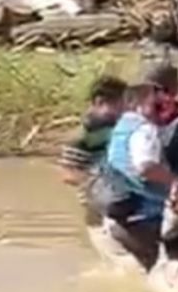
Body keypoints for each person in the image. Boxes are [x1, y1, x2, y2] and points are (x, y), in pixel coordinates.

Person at [98, 64, 178, 270]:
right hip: (142, 220)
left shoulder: (124, 124)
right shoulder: (145, 130)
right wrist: (176, 181)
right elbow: (145, 167)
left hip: (116, 216)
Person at [57, 75, 133, 221]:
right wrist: (100, 180)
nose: (125, 108)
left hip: (121, 199)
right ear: (99, 102)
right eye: (120, 104)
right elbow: (68, 174)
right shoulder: (82, 136)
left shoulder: (117, 127)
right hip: (100, 205)